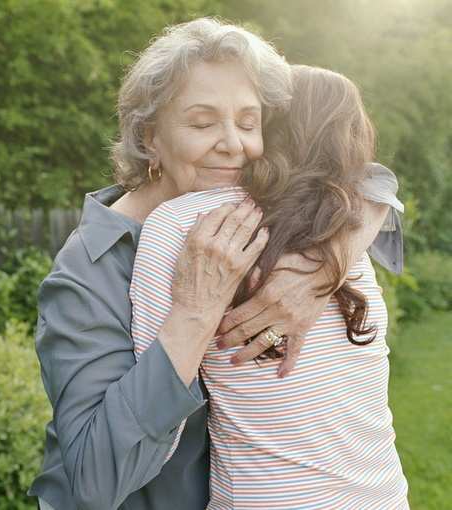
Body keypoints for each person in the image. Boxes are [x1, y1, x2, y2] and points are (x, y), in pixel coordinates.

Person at [29, 18, 404, 510]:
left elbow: (370, 181)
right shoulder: (89, 271)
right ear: (149, 137)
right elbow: (91, 483)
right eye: (203, 123)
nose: (234, 144)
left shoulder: (252, 207)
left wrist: (322, 269)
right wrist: (194, 314)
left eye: (249, 123)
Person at [131, 64, 408, 509]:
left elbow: (149, 403)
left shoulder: (183, 224)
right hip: (383, 493)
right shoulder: (349, 228)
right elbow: (377, 180)